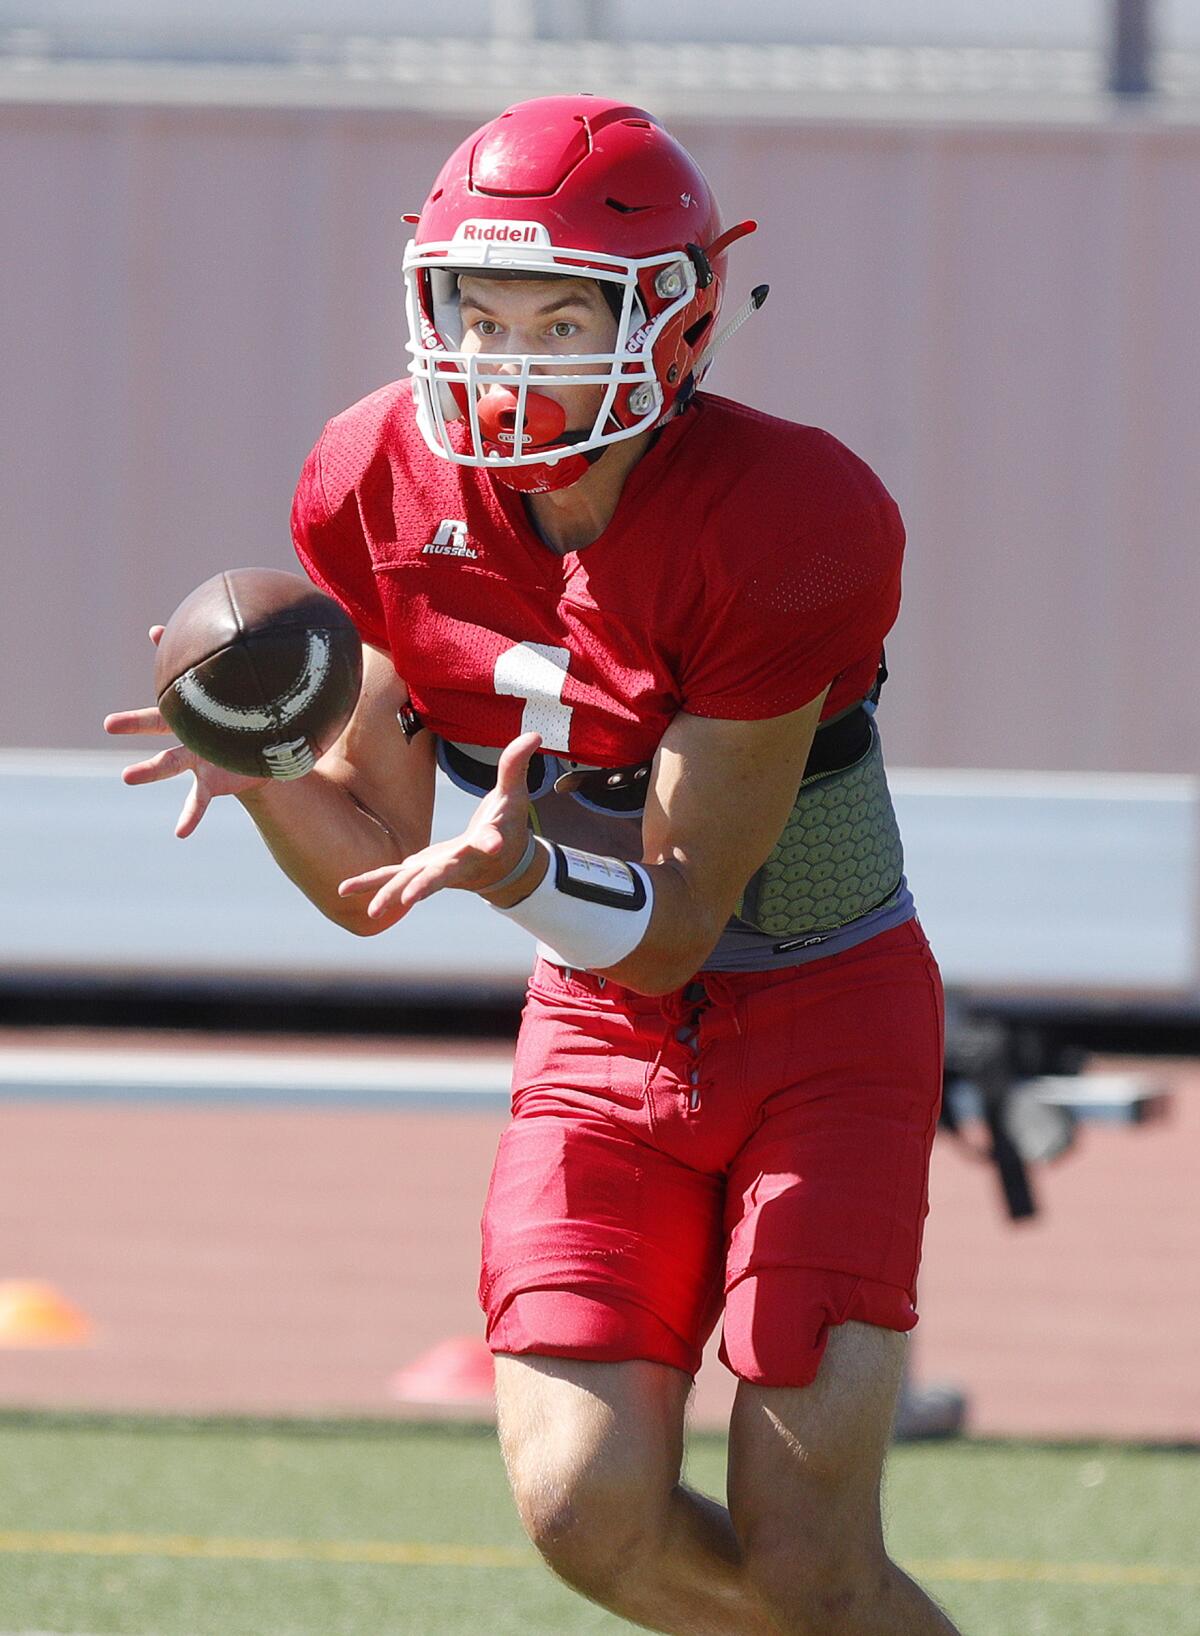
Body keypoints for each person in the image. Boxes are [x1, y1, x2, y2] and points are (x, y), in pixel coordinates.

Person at [107, 95, 959, 1636]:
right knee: (582, 1512)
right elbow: (374, 866)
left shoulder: (792, 513)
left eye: (560, 314)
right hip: (597, 1036)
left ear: (678, 322)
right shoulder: (371, 476)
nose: (507, 357)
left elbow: (682, 920)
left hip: (824, 1016)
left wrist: (512, 881)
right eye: (476, 311)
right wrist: (266, 775)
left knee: (807, 1554)